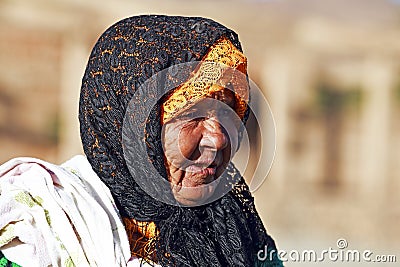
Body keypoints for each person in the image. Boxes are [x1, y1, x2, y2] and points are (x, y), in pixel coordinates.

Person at [0, 15, 282, 266]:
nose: (219, 138)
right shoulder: (35, 230)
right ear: (132, 130)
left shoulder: (236, 228)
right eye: (192, 114)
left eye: (228, 112)